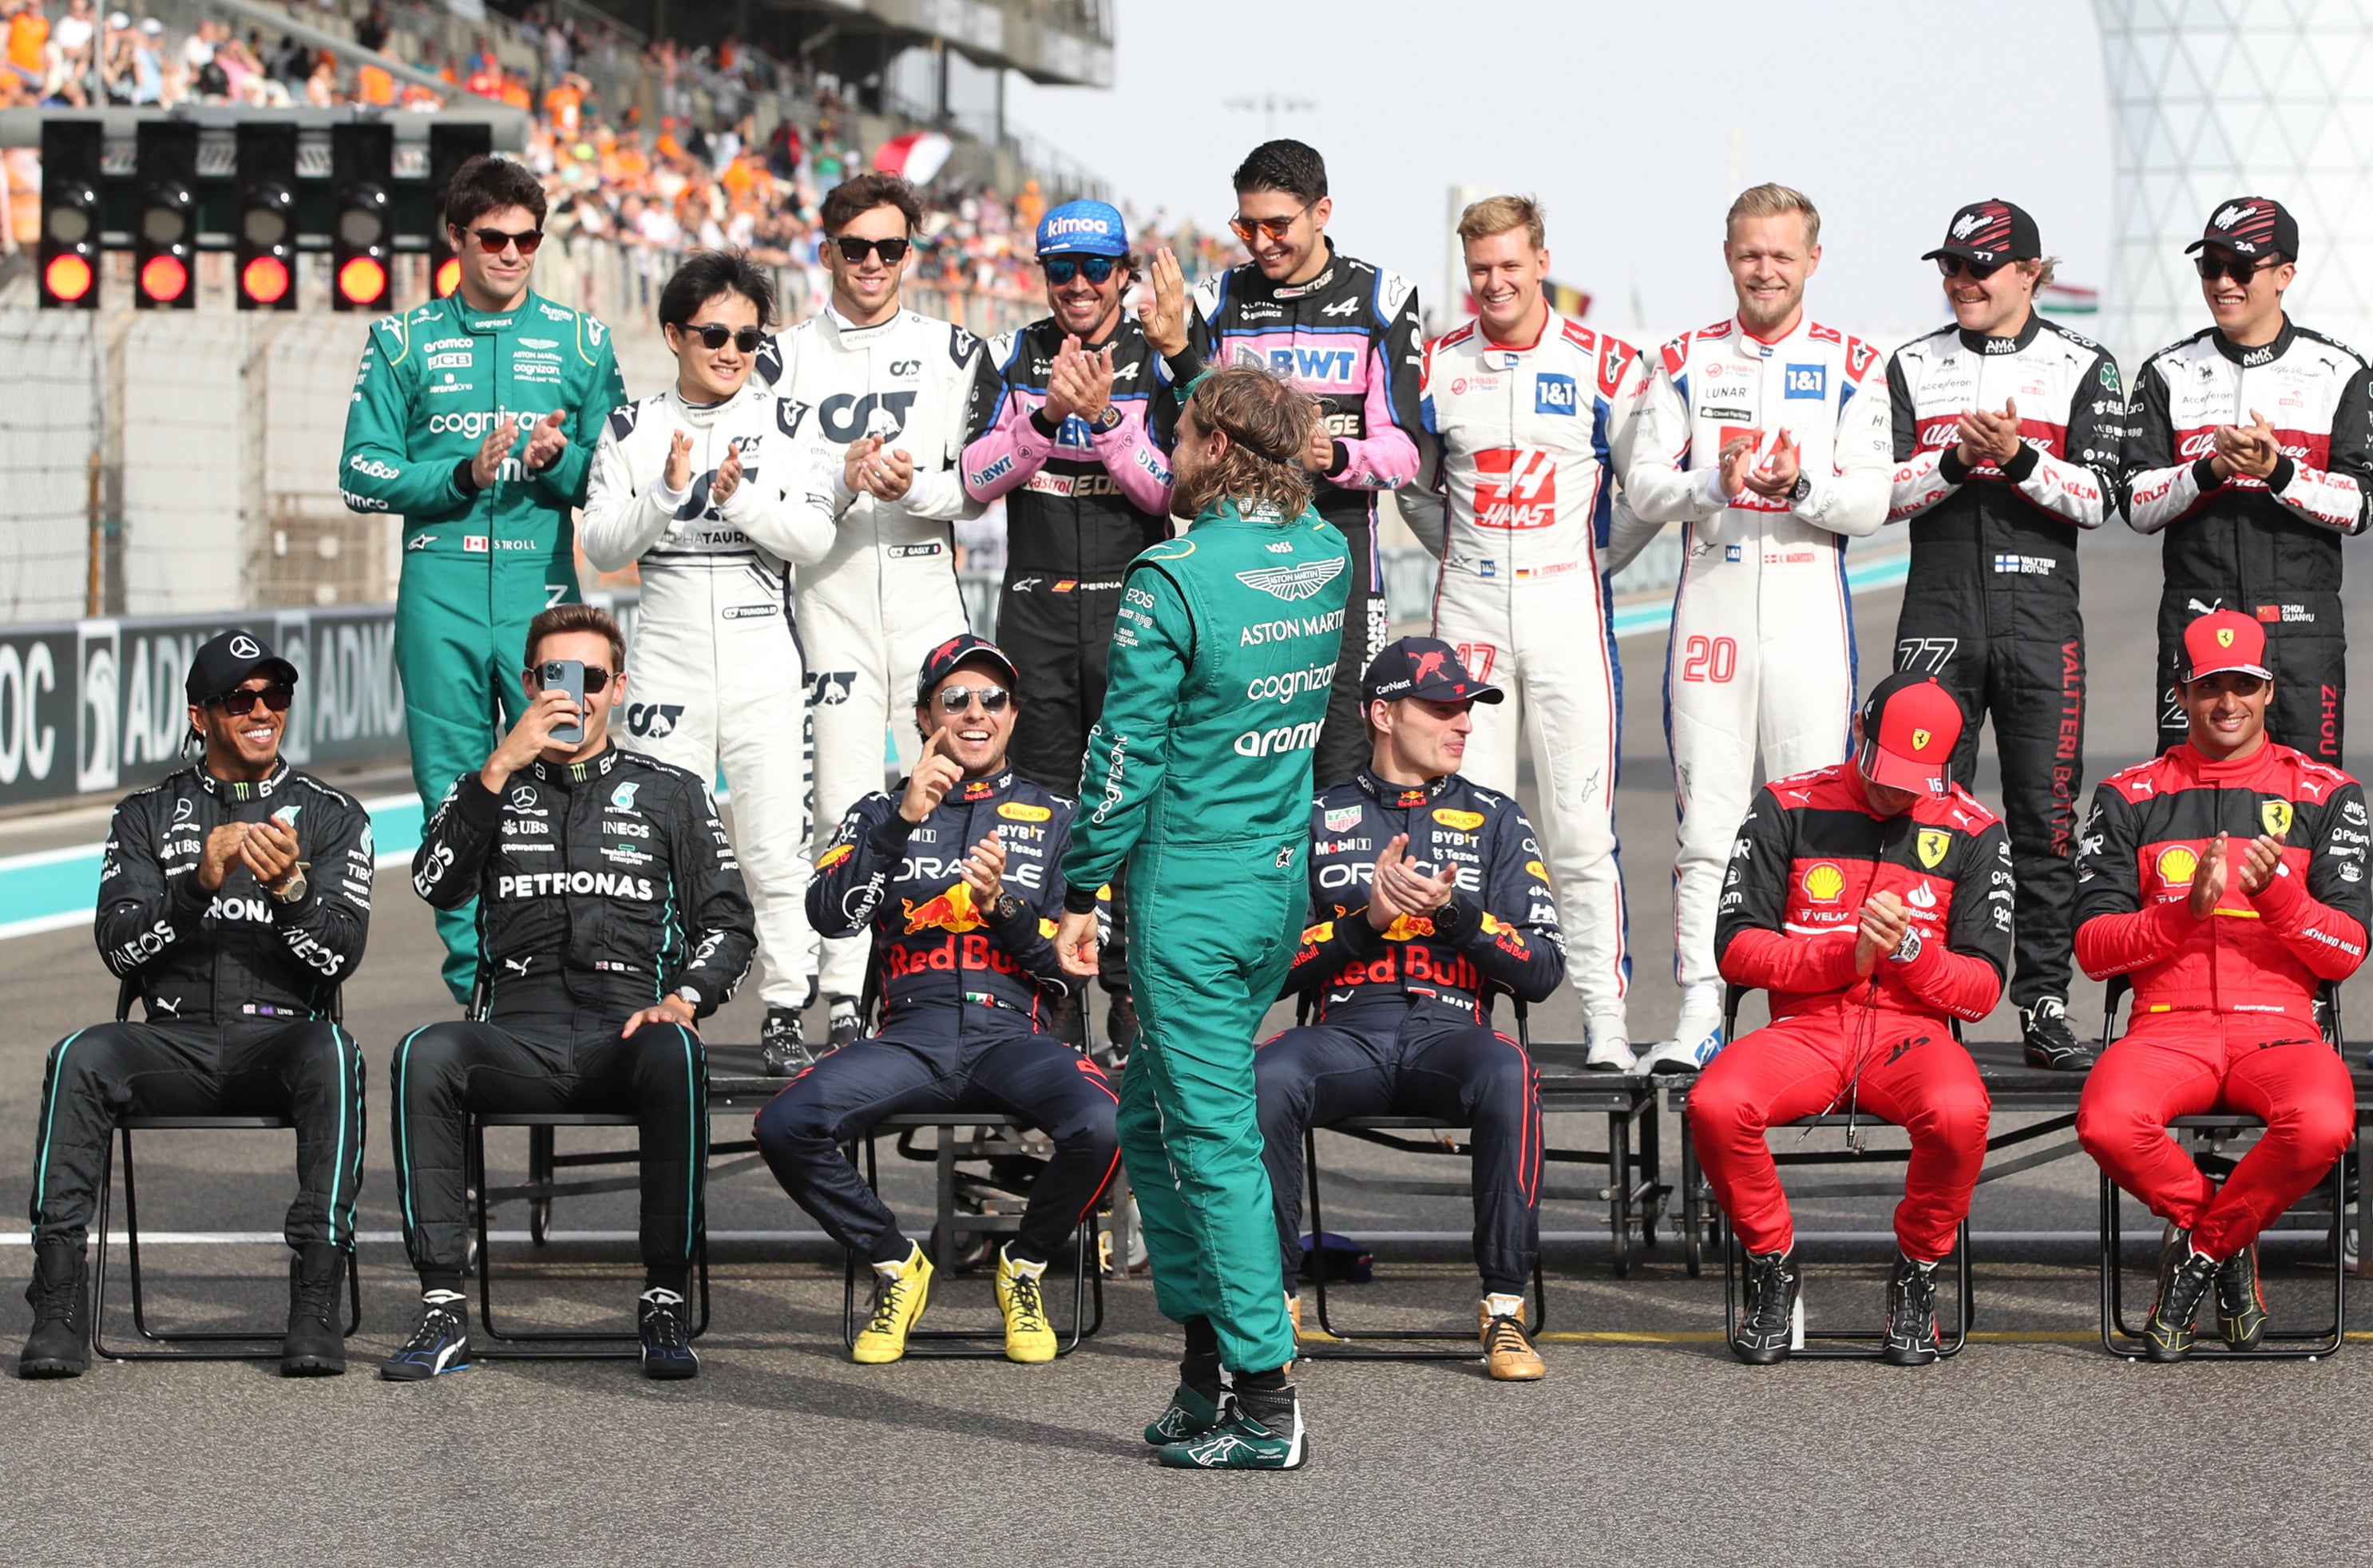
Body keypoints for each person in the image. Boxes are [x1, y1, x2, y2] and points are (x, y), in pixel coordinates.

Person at [1052, 366, 1350, 1470]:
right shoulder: (1325, 552)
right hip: (1276, 886)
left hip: (1190, 895)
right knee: (1148, 1121)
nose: (1165, 448)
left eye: (1178, 431)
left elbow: (1121, 756)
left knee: (1209, 1140)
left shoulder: (1170, 578)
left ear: (1219, 445)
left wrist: (1082, 887)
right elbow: (1301, 507)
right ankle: (1199, 1372)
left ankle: (1267, 1401)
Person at [386, 604, 755, 1383]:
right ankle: (442, 1303)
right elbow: (432, 881)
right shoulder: (488, 784)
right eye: (556, 677)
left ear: (617, 687)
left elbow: (727, 924)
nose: (574, 695)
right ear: (528, 684)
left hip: (626, 1026)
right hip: (516, 1027)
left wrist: (684, 998)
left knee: (676, 1050)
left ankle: (663, 1295)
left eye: (591, 678)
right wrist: (496, 770)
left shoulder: (671, 791)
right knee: (425, 1051)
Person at [752, 634, 1119, 1365]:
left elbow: (1073, 970)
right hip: (910, 1036)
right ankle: (897, 1263)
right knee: (785, 1123)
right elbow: (828, 914)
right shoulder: (877, 810)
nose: (975, 713)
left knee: (1106, 1125)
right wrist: (900, 823)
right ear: (925, 717)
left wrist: (1005, 908)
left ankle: (1025, 1263)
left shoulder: (1063, 821)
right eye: (955, 699)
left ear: (1014, 716)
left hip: (1014, 1035)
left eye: (993, 699)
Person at [21, 631, 372, 1380]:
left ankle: (313, 1299)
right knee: (81, 1054)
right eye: (238, 699)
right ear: (199, 716)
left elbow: (341, 954)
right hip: (172, 1040)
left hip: (283, 1037)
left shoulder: (335, 815)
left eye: (274, 695)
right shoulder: (145, 815)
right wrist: (194, 890)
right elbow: (118, 949)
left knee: (337, 1056)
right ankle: (56, 1302)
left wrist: (292, 895)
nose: (260, 710)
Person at [1619, 183, 1894, 1072]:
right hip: (1714, 606)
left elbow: (1870, 499)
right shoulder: (1685, 358)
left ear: (1812, 259)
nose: (1763, 269)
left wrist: (1801, 486)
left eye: (1781, 254)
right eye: (1749, 253)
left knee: (1813, 818)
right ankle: (1701, 1006)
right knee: (1707, 822)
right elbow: (1642, 488)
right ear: (1726, 254)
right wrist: (1715, 476)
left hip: (1809, 608)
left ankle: (1812, 1011)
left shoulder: (1854, 361)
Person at [341, 153, 625, 1004]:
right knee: (455, 793)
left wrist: (559, 458)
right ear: (456, 238)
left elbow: (615, 482)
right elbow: (359, 473)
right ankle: (479, 987)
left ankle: (578, 976)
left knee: (574, 775)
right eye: (493, 237)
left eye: (526, 239)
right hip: (441, 596)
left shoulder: (583, 341)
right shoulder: (400, 339)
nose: (510, 252)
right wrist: (458, 476)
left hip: (549, 600)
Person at [1258, 638, 1563, 1380]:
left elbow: (1544, 970)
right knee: (1266, 1075)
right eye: (1442, 708)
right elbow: (1266, 971)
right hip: (1345, 1035)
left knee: (1508, 1074)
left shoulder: (1497, 820)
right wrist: (1365, 922)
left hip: (1451, 1032)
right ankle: (1269, 1310)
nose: (1462, 723)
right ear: (1383, 714)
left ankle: (1502, 1309)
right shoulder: (1314, 814)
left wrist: (1459, 916)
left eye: (1467, 709)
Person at [1689, 672, 2011, 1367]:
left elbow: (1982, 990)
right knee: (1715, 1103)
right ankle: (1773, 1266)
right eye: (1887, 771)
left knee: (1961, 1112)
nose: (1898, 792)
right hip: (1804, 1029)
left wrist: (1913, 952)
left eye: (1916, 779)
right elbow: (1736, 948)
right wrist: (1848, 955)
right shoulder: (1784, 805)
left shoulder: (1975, 829)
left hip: (1911, 1033)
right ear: (1859, 732)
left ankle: (1919, 1273)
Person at [2073, 608, 2367, 1360]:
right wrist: (2179, 916)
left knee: (2327, 1122)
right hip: (2167, 1026)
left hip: (2281, 1026)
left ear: (2269, 690)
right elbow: (2094, 949)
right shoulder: (2127, 796)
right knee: (2107, 1121)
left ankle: (2198, 1254)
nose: (2226, 703)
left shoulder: (2329, 793)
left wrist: (2280, 901)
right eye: (2209, 687)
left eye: (2244, 685)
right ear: (2182, 691)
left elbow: (2346, 951)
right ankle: (2230, 1249)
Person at [1401, 193, 1647, 1070]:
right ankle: (1457, 1030)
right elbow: (1411, 489)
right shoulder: (1435, 367)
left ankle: (1606, 1022)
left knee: (1580, 832)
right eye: (1479, 271)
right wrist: (1463, 555)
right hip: (1466, 617)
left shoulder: (1605, 363)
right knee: (1461, 830)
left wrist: (1590, 562)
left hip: (1565, 613)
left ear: (1541, 260)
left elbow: (1647, 496)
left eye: (1509, 266)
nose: (1495, 283)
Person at [581, 249, 836, 1075]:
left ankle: (786, 1005)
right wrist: (662, 491)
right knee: (653, 841)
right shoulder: (631, 427)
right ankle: (652, 997)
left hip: (764, 646)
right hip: (668, 652)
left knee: (771, 845)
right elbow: (598, 543)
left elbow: (813, 537)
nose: (731, 351)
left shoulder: (788, 422)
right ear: (672, 335)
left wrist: (741, 499)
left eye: (747, 338)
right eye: (713, 334)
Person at [1884, 200, 2125, 1071]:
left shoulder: (2083, 365)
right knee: (1918, 811)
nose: (1960, 281)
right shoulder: (1912, 362)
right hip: (1937, 610)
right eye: (1948, 265)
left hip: (2039, 615)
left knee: (2042, 817)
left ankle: (2044, 1002)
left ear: (2030, 272)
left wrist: (2019, 458)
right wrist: (1956, 459)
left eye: (1979, 266)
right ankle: (1924, 1002)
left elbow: (2103, 500)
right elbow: (1884, 493)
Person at [759, 172, 993, 1051]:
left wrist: (914, 484)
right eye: (852, 247)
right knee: (844, 803)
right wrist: (839, 479)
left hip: (928, 589)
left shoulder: (956, 350)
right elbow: (775, 489)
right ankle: (841, 990)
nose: (870, 263)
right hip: (830, 594)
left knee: (949, 786)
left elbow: (978, 483)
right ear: (825, 252)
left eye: (888, 248)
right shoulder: (781, 355)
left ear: (909, 253)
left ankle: (955, 980)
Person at [1139, 138, 1422, 791]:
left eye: (1277, 225)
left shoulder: (1384, 298)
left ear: (1322, 211)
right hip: (1236, 547)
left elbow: (1403, 454)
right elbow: (1188, 427)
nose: (1261, 243)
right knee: (1241, 738)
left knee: (1346, 752)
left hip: (1342, 546)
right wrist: (1180, 353)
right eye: (1246, 226)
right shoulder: (1213, 301)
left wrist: (1338, 456)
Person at [961, 199, 1176, 1057]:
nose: (1078, 286)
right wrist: (1046, 421)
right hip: (1037, 610)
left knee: (1127, 805)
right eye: (1061, 270)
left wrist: (1112, 425)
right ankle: (1051, 994)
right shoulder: (1013, 354)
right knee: (1042, 813)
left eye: (1095, 268)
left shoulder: (1156, 361)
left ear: (1124, 273)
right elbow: (977, 477)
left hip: (1132, 612)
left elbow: (1173, 494)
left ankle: (1128, 996)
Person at [2124, 196, 2373, 766]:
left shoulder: (2339, 371)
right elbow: (2136, 505)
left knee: (2308, 799)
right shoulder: (2169, 372)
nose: (2224, 283)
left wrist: (2277, 472)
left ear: (2285, 274)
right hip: (2195, 622)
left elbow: (2361, 507)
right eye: (2211, 267)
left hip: (2302, 630)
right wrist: (2211, 471)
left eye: (2241, 268)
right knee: (2189, 799)